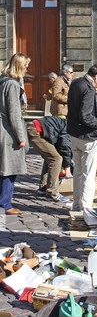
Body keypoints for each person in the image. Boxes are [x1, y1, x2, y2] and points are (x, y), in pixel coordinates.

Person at [67, 64, 97, 212]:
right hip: (86, 135)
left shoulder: (76, 82)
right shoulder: (89, 89)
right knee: (88, 174)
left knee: (78, 171)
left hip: (74, 133)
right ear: (96, 76)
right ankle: (85, 207)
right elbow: (86, 116)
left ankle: (77, 205)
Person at [0, 53, 30, 215]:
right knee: (9, 167)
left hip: (3, 127)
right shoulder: (12, 84)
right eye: (25, 67)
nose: (27, 70)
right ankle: (5, 203)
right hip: (7, 130)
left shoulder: (2, 81)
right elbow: (14, 113)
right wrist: (21, 137)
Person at [27, 116, 71, 203]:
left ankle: (44, 187)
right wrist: (67, 167)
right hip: (35, 131)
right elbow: (64, 147)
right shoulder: (68, 128)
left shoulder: (65, 123)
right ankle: (52, 192)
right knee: (56, 159)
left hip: (33, 127)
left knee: (51, 156)